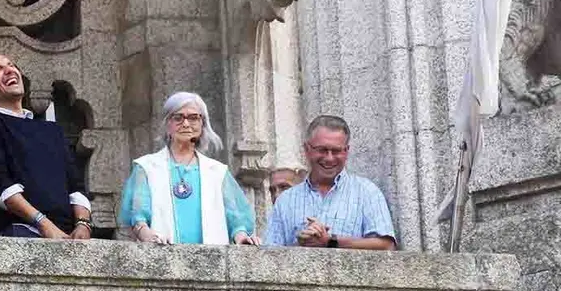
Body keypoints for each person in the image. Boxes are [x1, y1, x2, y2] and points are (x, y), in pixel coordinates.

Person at [0, 54, 91, 238]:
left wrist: (83, 224)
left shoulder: (51, 129)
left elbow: (76, 186)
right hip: (21, 231)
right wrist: (43, 224)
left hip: (67, 235)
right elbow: (0, 186)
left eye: (11, 65)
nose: (10, 70)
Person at [119, 91, 259, 245]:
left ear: (202, 124)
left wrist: (241, 237)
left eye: (193, 118)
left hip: (212, 261)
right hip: (161, 257)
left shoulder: (218, 172)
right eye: (178, 117)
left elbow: (236, 220)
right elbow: (137, 217)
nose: (185, 124)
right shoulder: (146, 167)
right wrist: (146, 234)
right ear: (168, 124)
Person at [264, 115, 396, 249]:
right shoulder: (285, 201)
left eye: (336, 151)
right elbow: (269, 256)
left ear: (346, 151)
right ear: (306, 149)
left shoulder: (367, 192)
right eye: (322, 150)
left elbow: (386, 246)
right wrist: (302, 245)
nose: (329, 158)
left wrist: (331, 241)